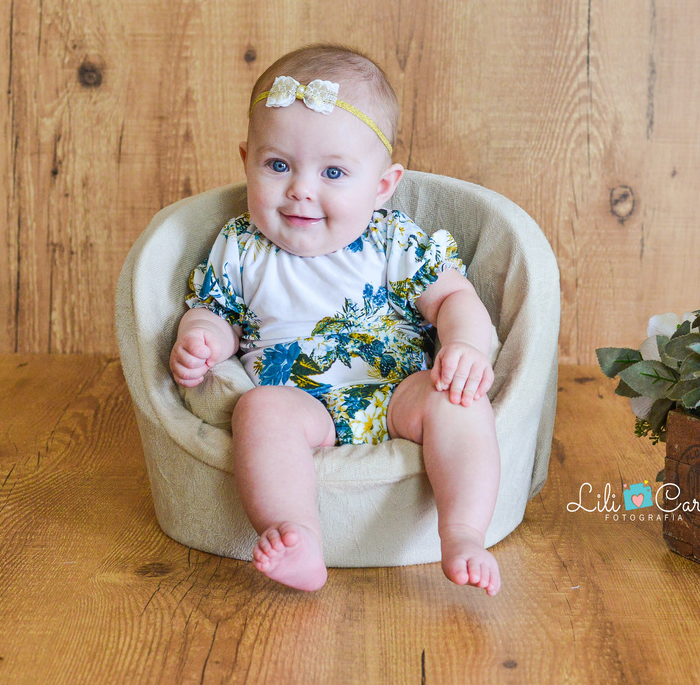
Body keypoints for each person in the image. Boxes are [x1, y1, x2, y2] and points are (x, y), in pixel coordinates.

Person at [168, 44, 501, 595]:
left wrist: (464, 344)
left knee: (459, 401)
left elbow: (452, 300)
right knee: (258, 410)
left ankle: (463, 530)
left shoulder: (394, 239)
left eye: (334, 172)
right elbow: (217, 311)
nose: (301, 188)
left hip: (399, 394)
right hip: (300, 407)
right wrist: (201, 338)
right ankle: (296, 534)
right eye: (277, 165)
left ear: (382, 185)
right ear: (246, 160)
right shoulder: (242, 245)